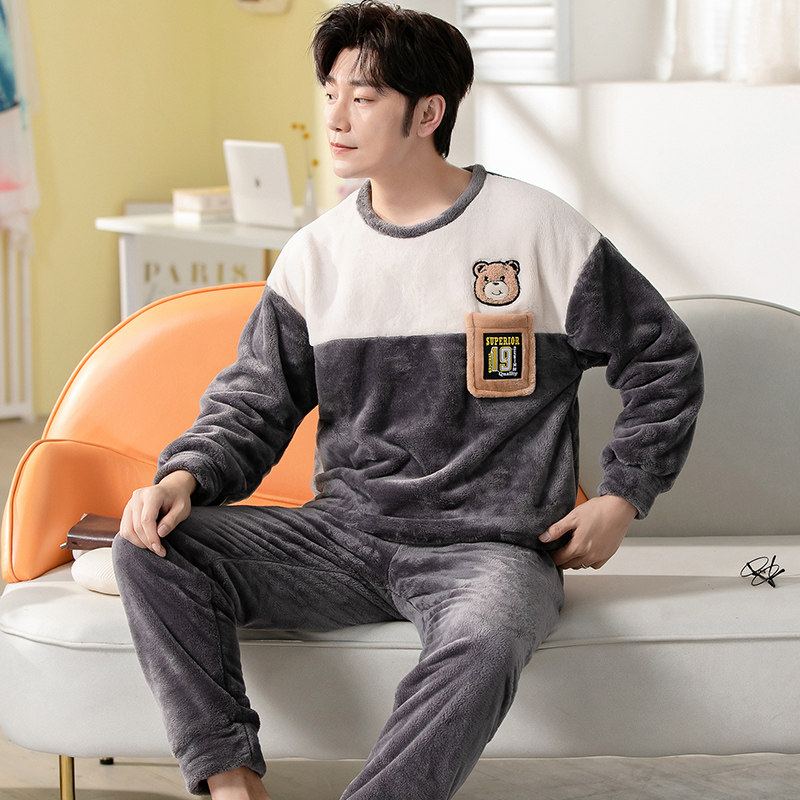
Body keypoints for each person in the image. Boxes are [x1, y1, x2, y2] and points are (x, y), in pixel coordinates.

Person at [113, 2, 704, 798]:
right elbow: (254, 402)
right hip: (341, 538)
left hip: (491, 548)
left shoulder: (539, 230)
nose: (336, 116)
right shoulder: (316, 255)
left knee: (487, 637)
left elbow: (664, 358)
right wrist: (183, 477)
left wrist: (623, 498)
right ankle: (231, 786)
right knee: (150, 546)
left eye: (362, 97)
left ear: (428, 113)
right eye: (330, 92)